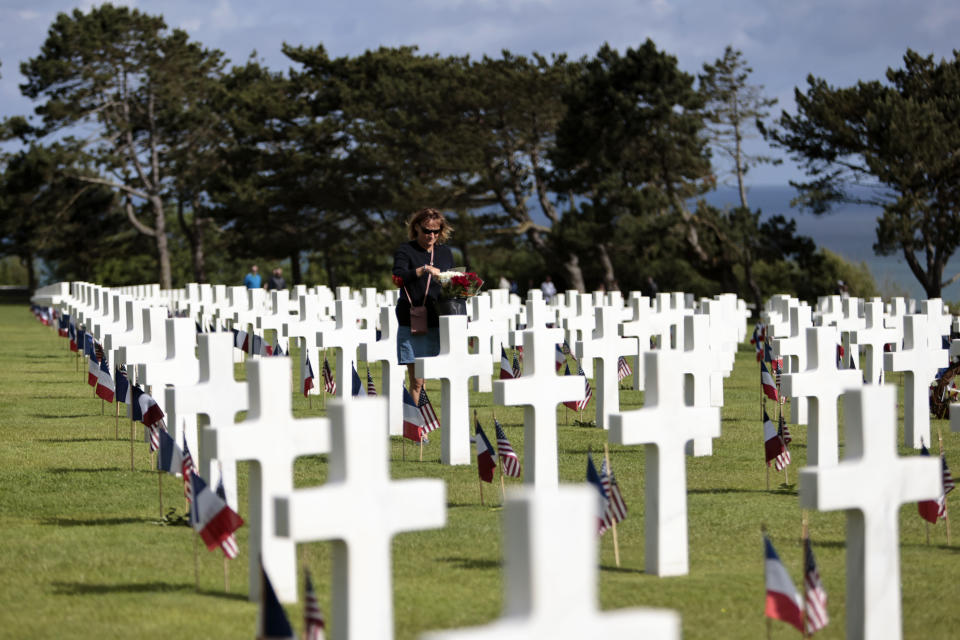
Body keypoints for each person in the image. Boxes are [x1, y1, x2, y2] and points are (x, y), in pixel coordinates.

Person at [392, 208, 455, 404]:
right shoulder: (406, 250)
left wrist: (443, 276)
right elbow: (397, 277)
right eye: (427, 231)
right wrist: (422, 270)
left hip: (438, 319)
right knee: (417, 380)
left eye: (436, 231)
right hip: (412, 318)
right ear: (417, 228)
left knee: (435, 377)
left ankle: (425, 423)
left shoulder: (445, 253)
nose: (431, 236)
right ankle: (417, 430)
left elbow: (453, 283)